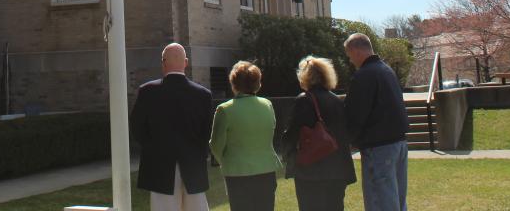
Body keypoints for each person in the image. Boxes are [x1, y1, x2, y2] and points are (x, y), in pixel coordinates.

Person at [129, 42, 214, 211]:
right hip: (193, 165)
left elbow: (137, 127)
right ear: (186, 62)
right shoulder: (203, 95)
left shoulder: (147, 92)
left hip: (159, 164)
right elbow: (207, 132)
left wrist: (152, 147)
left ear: (163, 63)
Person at [343, 33, 409, 211]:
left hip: (379, 148)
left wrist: (349, 140)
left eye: (349, 55)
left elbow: (356, 113)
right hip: (399, 143)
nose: (350, 61)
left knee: (380, 201)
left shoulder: (364, 75)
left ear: (356, 51)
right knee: (397, 200)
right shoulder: (387, 71)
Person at [281, 56, 356, 211]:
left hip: (312, 171)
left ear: (305, 76)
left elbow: (291, 134)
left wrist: (289, 156)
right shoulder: (337, 101)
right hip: (337, 171)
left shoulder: (304, 100)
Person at [208, 61, 282, 211]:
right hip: (266, 170)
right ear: (258, 83)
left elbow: (215, 145)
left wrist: (226, 160)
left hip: (237, 173)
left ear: (233, 83)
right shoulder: (267, 105)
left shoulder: (224, 110)